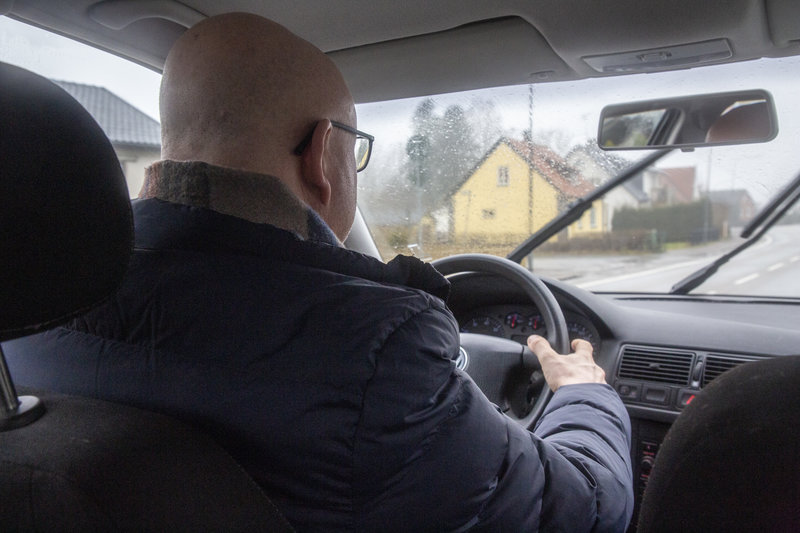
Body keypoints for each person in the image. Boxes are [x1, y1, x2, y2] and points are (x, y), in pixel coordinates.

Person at [5, 13, 633, 531]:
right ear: (323, 153)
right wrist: (584, 393)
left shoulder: (32, 313)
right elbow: (587, 509)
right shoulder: (377, 354)